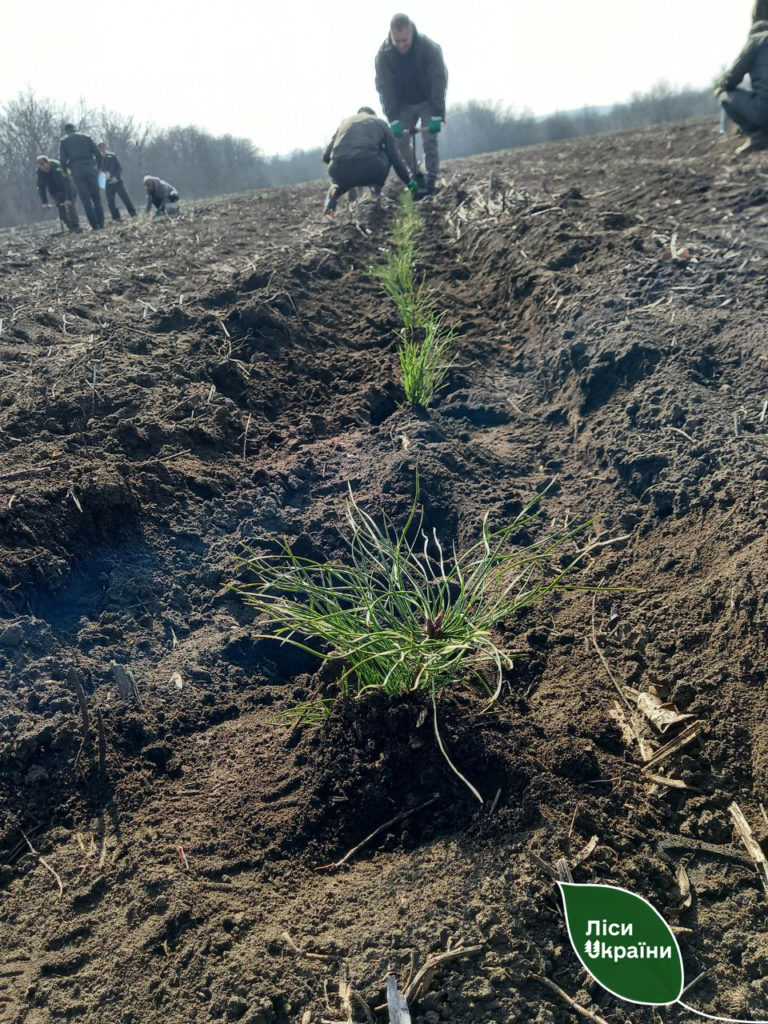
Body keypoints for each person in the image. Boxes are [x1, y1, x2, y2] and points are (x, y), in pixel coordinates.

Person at [375, 13, 447, 194]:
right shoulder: (384, 55)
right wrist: (393, 119)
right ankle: (417, 174)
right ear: (391, 34)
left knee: (429, 140)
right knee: (399, 141)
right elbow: (385, 88)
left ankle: (431, 179)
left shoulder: (429, 48)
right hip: (403, 104)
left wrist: (438, 114)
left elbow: (438, 81)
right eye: (396, 40)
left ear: (412, 31)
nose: (401, 44)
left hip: (427, 101)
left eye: (405, 40)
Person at [322, 106, 418, 216]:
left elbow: (325, 156)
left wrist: (342, 169)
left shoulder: (345, 123)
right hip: (369, 168)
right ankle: (375, 191)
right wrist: (408, 181)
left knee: (341, 182)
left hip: (338, 169)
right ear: (373, 115)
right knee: (386, 152)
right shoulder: (380, 123)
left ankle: (333, 197)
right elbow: (395, 158)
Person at [716, 0, 768, 154]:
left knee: (724, 94)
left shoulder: (756, 40)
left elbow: (731, 79)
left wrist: (719, 86)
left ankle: (757, 135)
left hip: (764, 111)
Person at [59, 123, 105, 229]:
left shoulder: (64, 141)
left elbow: (62, 160)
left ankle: (94, 225)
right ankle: (101, 223)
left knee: (85, 199)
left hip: (76, 170)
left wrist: (65, 171)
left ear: (66, 131)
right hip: (90, 167)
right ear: (75, 129)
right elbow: (98, 154)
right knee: (96, 197)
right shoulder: (86, 137)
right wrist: (98, 167)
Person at [36, 156, 81, 234]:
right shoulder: (40, 172)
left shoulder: (58, 167)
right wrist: (45, 202)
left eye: (44, 166)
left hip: (69, 188)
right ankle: (70, 226)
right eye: (41, 167)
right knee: (61, 209)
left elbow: (67, 183)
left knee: (70, 207)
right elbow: (41, 187)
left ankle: (75, 226)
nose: (44, 169)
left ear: (48, 163)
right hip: (55, 191)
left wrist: (68, 199)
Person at [97, 143, 137, 220]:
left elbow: (119, 168)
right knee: (111, 202)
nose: (102, 149)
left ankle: (133, 213)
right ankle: (116, 218)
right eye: (100, 148)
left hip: (117, 182)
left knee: (125, 198)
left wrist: (116, 177)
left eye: (103, 147)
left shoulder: (112, 156)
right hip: (107, 183)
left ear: (105, 147)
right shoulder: (98, 160)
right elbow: (99, 173)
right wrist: (102, 184)